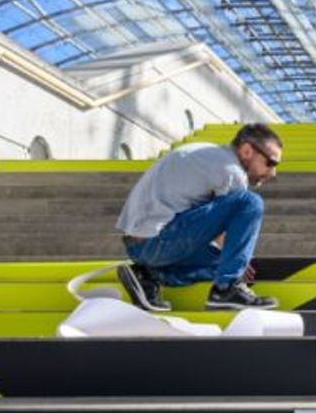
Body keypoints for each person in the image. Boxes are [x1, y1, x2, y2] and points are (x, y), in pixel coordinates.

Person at [115, 123, 283, 311]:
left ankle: (146, 275)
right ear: (247, 151)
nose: (273, 173)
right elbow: (228, 230)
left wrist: (237, 261)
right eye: (270, 163)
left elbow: (217, 227)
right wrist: (239, 263)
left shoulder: (208, 153)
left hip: (140, 246)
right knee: (250, 202)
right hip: (158, 241)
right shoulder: (231, 170)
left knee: (225, 263)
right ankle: (227, 290)